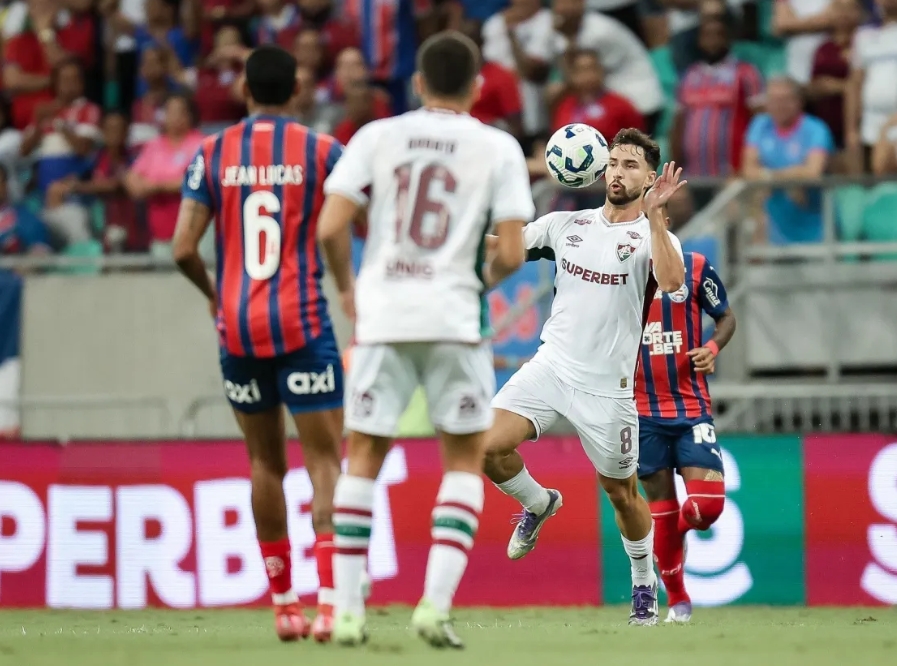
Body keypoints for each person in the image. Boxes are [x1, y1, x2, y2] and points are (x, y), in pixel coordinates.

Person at [317, 31, 533, 648]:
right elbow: (513, 253)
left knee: (364, 454)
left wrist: (348, 290)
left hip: (382, 317)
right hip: (454, 319)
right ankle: (434, 609)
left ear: (416, 83)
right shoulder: (497, 147)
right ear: (476, 87)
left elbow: (332, 225)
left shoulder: (376, 136)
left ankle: (347, 612)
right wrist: (473, 281)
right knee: (463, 460)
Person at [171, 44, 345, 643]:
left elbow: (181, 248)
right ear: (296, 91)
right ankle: (329, 606)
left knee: (264, 463)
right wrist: (348, 287)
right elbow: (343, 223)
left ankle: (283, 605)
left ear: (244, 92)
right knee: (324, 460)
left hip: (239, 328)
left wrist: (218, 297)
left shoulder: (212, 152)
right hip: (302, 324)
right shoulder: (323, 151)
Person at [481, 129, 686, 627]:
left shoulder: (654, 238)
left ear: (649, 177)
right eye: (613, 161)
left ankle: (642, 584)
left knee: (622, 494)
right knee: (485, 446)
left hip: (607, 390)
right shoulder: (564, 225)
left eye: (631, 164)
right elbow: (503, 247)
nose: (618, 171)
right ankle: (539, 501)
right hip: (551, 367)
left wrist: (657, 218)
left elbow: (674, 283)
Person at [636, 250, 736, 624]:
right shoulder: (616, 267)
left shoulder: (694, 266)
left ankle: (671, 529)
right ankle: (678, 601)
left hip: (691, 408)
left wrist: (712, 348)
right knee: (660, 509)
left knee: (706, 508)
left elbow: (725, 316)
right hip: (640, 412)